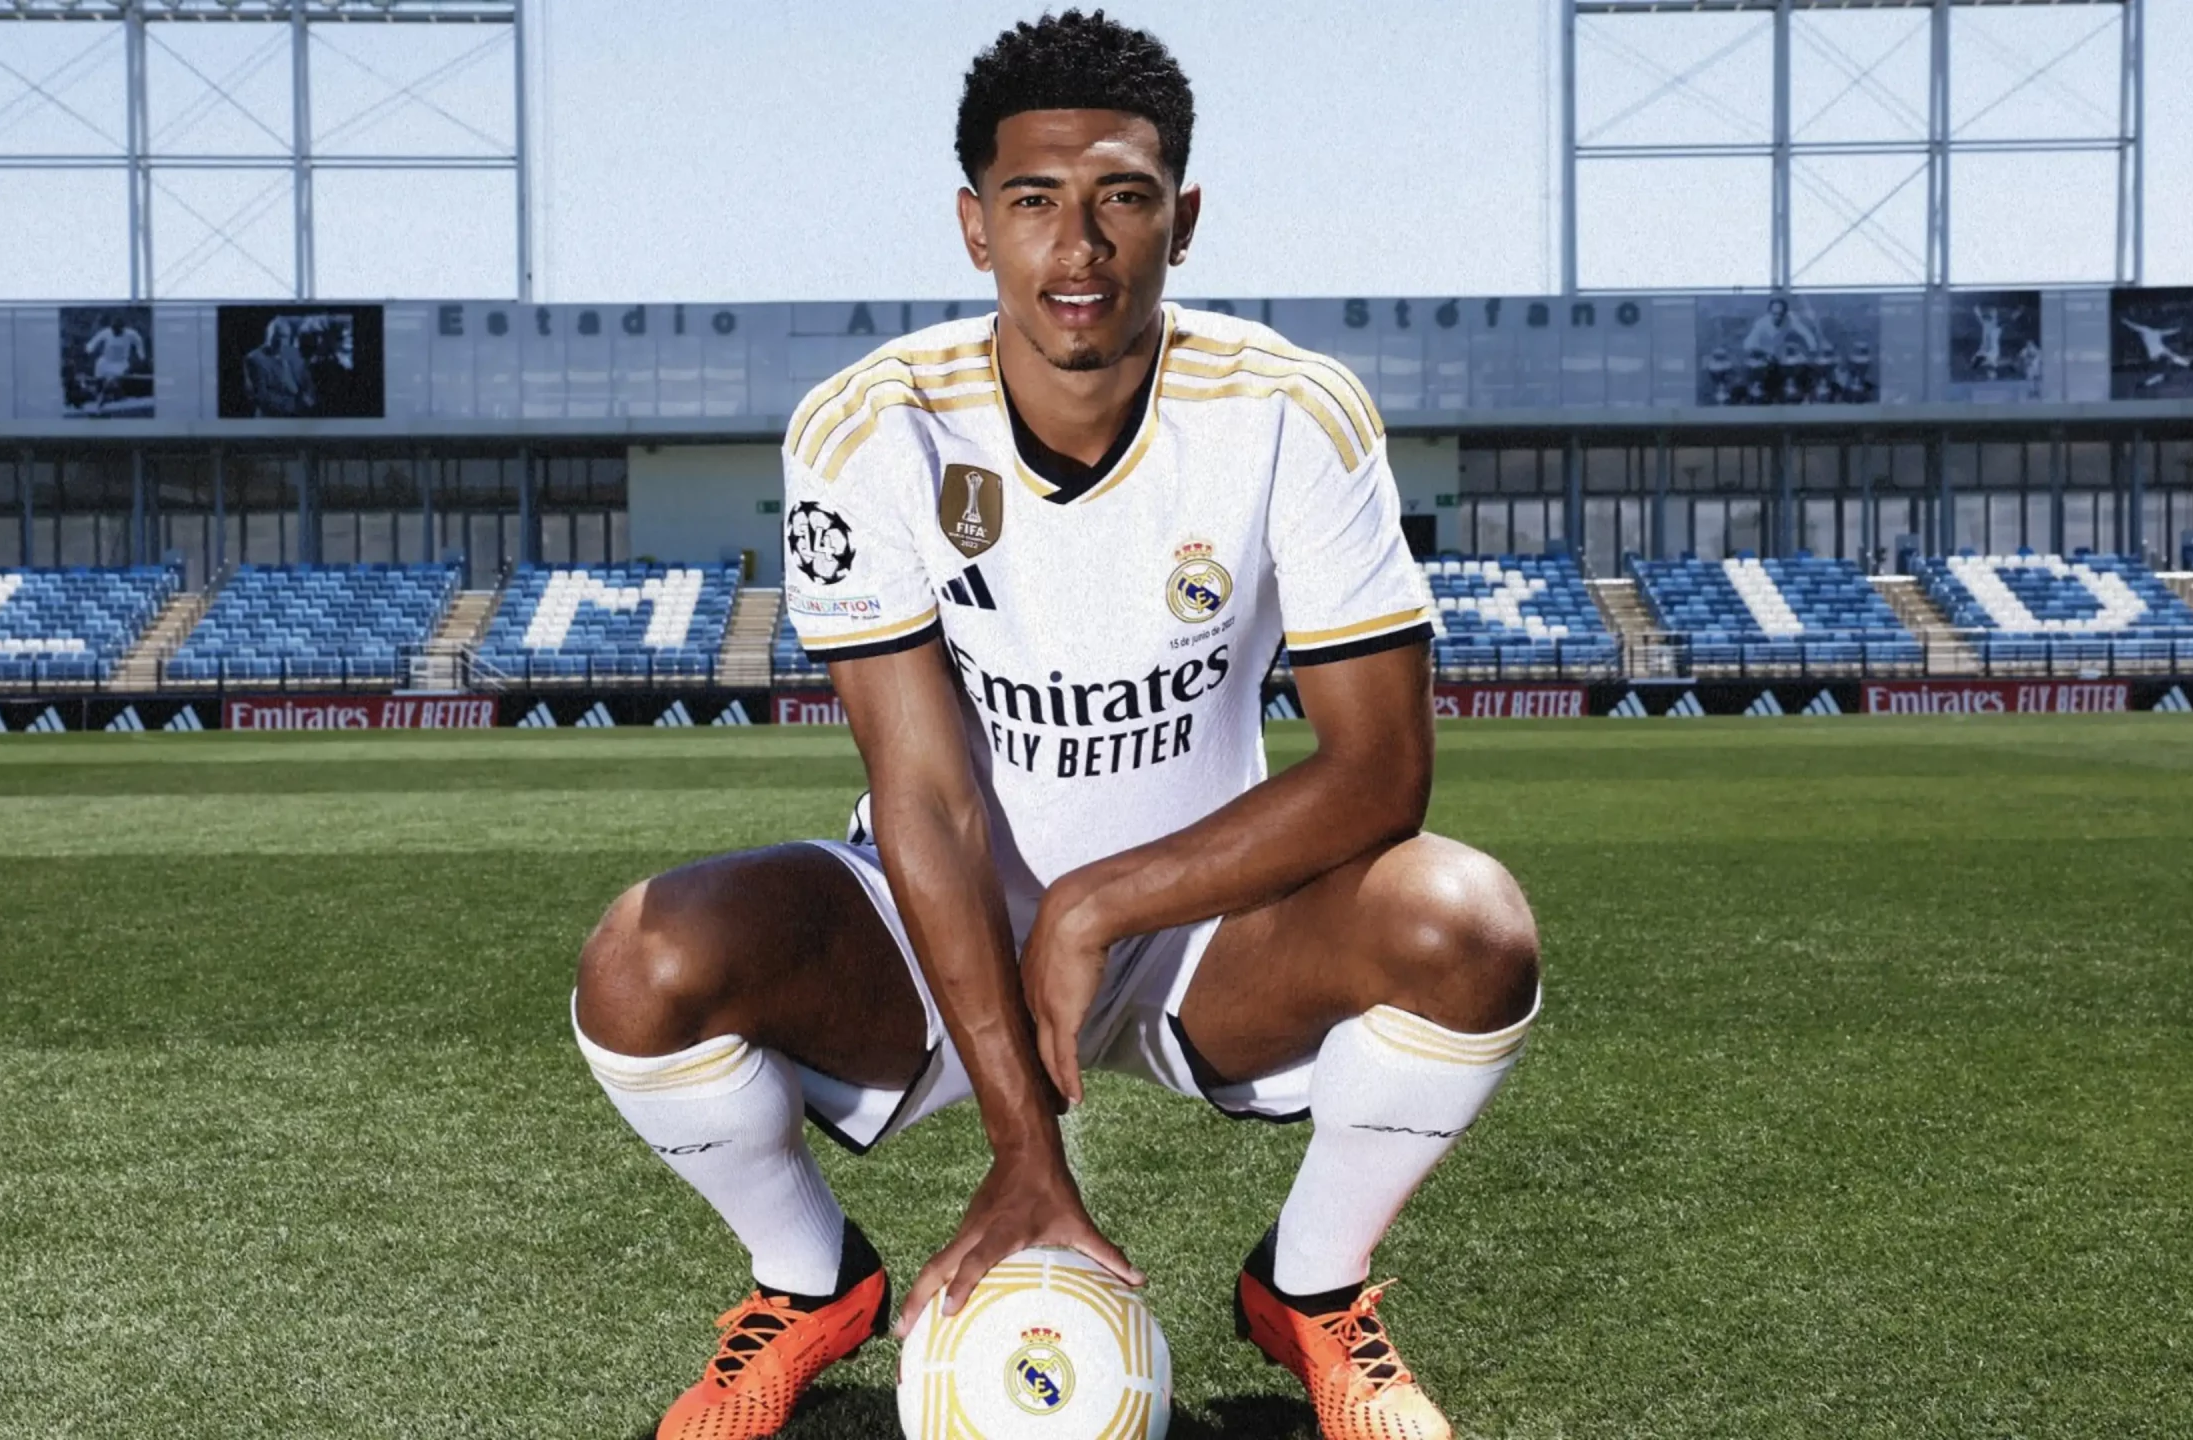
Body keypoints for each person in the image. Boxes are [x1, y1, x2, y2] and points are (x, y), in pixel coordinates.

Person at [570, 12, 1539, 1440]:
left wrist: (1095, 905)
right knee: (644, 961)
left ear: (1182, 219)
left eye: (1121, 198)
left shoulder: (1290, 411)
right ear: (975, 225)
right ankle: (810, 1280)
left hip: (1207, 927)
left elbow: (1382, 769)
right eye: (1033, 201)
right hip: (937, 920)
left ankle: (1312, 1293)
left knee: (1468, 923)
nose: (1077, 246)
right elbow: (925, 794)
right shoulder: (870, 427)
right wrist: (1027, 1143)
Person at [242, 316, 315, 417]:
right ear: (268, 336)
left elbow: (307, 381)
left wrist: (309, 397)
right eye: (276, 336)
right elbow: (262, 397)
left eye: (284, 336)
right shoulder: (255, 359)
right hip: (271, 418)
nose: (280, 341)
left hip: (299, 416)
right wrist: (296, 406)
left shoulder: (293, 353)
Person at [82, 314, 146, 412]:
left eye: (118, 330)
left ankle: (111, 394)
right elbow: (95, 340)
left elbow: (139, 342)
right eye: (114, 330)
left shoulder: (131, 334)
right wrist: (89, 349)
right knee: (99, 365)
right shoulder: (106, 332)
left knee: (113, 381)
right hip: (106, 361)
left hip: (120, 363)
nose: (115, 332)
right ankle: (99, 393)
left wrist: (141, 355)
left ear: (122, 329)